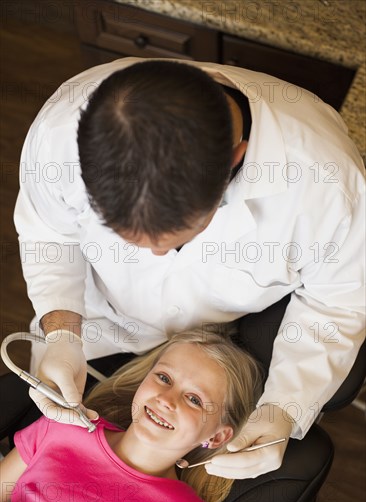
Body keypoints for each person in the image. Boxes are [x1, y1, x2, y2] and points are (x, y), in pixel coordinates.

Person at [14, 58, 365, 480]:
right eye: (128, 238)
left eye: (176, 240)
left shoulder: (329, 189)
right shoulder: (59, 135)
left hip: (212, 341)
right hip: (91, 315)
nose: (157, 259)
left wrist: (284, 408)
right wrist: (61, 331)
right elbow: (48, 232)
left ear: (236, 158)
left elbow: (338, 304)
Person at [0, 330, 262, 502]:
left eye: (194, 399)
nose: (165, 400)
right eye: (163, 378)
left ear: (217, 436)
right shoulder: (62, 429)